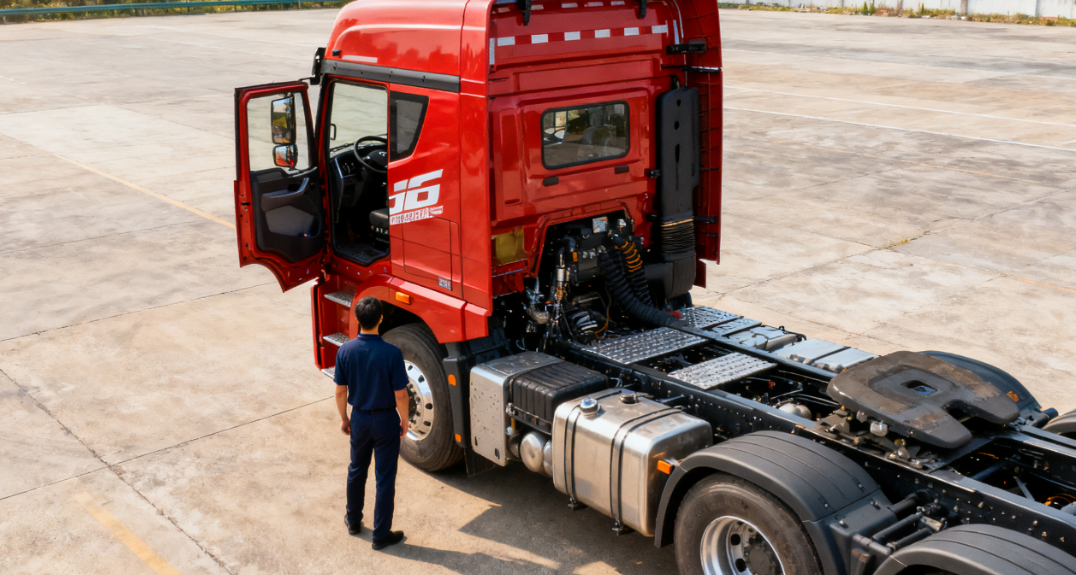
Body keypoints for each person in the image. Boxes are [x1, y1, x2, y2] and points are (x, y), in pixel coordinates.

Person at [334, 296, 409, 550]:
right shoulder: (392, 353)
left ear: (357, 319)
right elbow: (400, 393)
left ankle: (353, 521)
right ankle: (381, 535)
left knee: (357, 469)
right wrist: (405, 420)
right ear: (381, 319)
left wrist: (345, 418)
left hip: (360, 418)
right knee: (385, 477)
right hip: (387, 419)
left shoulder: (345, 351)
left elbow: (340, 391)